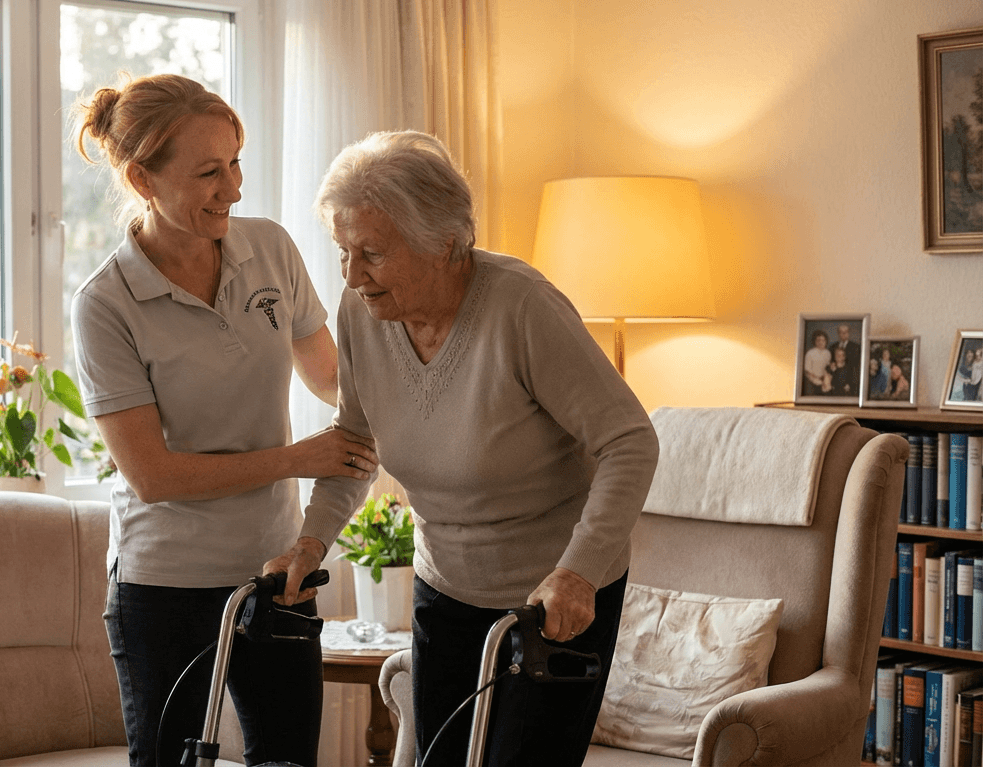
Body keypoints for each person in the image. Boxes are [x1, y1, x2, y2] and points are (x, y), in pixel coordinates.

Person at [265, 131, 659, 767]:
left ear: (443, 242)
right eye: (343, 252)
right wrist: (310, 544)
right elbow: (356, 442)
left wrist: (579, 571)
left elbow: (630, 443)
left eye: (371, 253)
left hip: (554, 601)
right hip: (445, 586)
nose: (352, 274)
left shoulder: (522, 309)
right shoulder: (362, 312)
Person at [69, 73, 377, 767]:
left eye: (236, 162)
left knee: (287, 760)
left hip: (279, 572)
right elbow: (153, 475)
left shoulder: (269, 248)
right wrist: (298, 459)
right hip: (165, 589)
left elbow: (331, 378)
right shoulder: (106, 305)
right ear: (141, 176)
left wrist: (419, 385)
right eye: (209, 172)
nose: (233, 188)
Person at [803, 329, 831, 395]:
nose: (821, 342)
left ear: (826, 341)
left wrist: (825, 380)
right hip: (813, 382)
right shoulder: (810, 353)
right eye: (818, 340)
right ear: (815, 341)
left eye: (823, 340)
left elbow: (827, 369)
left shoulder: (828, 353)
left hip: (825, 382)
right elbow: (808, 371)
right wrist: (818, 379)